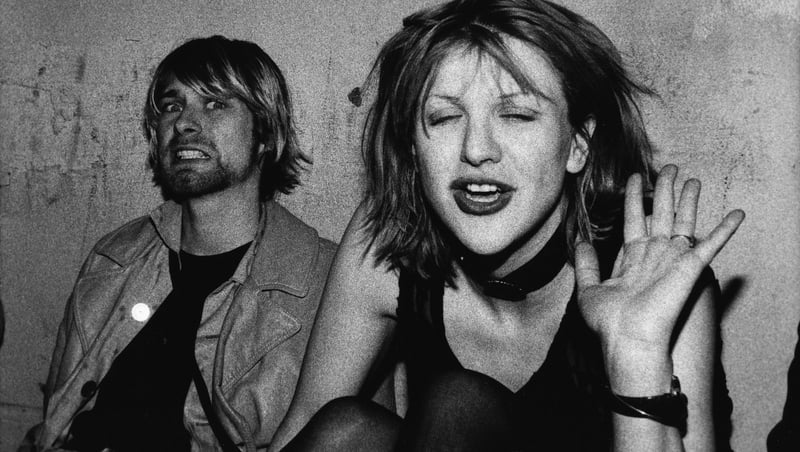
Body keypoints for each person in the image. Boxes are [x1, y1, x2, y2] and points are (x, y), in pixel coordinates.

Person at [268, 1, 744, 451]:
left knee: (458, 403)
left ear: (578, 144)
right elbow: (303, 423)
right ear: (412, 148)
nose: (477, 150)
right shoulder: (390, 236)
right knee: (346, 430)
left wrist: (637, 355)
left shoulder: (648, 268)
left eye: (516, 114)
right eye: (445, 116)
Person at [24, 35, 336, 451]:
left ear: (265, 134)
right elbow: (58, 417)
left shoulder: (329, 286)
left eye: (215, 103)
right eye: (173, 105)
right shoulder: (115, 257)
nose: (185, 123)